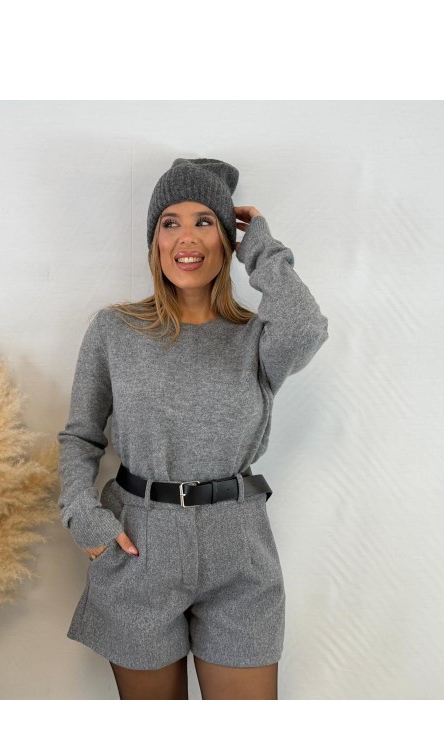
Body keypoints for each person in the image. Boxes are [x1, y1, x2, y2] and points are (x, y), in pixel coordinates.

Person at [57, 157, 329, 699]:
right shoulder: (116, 330)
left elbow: (306, 326)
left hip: (238, 549)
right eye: (170, 222)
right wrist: (83, 518)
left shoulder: (258, 339)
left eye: (205, 221)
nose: (187, 237)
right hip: (138, 544)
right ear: (154, 241)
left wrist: (261, 246)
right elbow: (81, 436)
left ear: (227, 239)